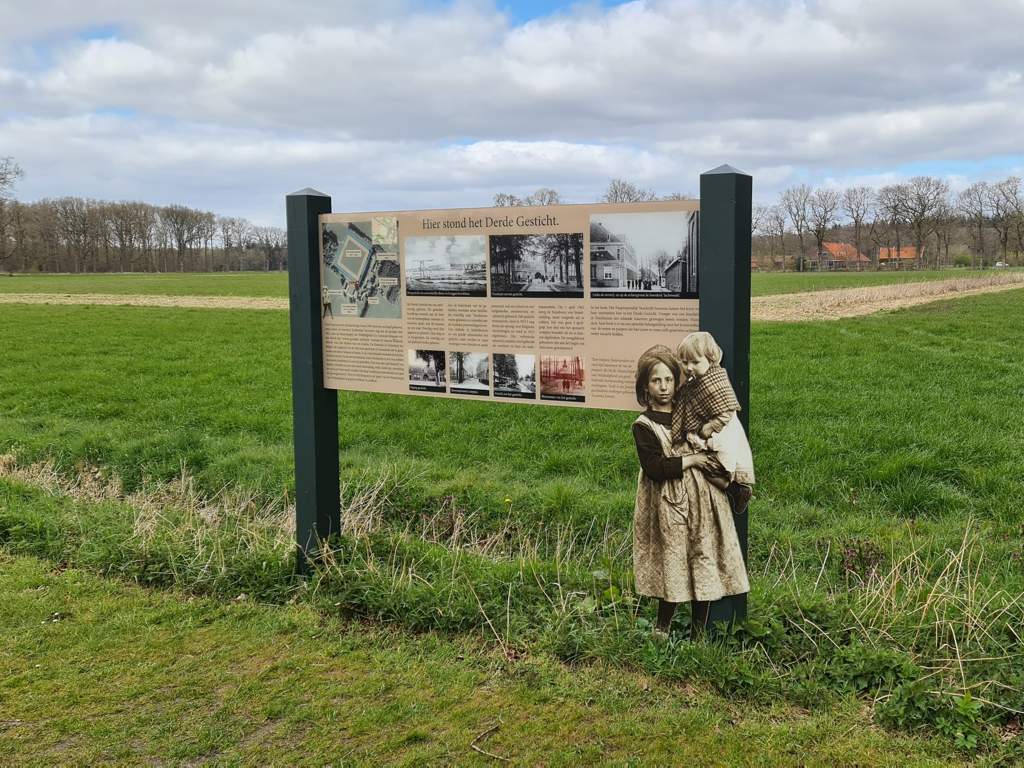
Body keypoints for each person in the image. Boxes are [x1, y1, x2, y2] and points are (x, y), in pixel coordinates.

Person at [632, 345, 749, 638]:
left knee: (702, 555)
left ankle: (698, 633)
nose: (663, 387)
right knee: (672, 559)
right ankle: (663, 628)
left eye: (669, 380)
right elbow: (655, 467)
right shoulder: (644, 426)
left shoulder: (689, 409)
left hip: (703, 498)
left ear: (676, 381)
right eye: (656, 381)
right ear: (645, 386)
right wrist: (693, 459)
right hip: (667, 501)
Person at [671, 331, 755, 515]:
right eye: (684, 362)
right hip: (706, 434)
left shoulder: (714, 381)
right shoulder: (697, 380)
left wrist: (707, 428)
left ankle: (736, 489)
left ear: (711, 359)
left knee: (710, 466)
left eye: (695, 362)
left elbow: (726, 411)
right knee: (697, 462)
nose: (689, 367)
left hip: (721, 434)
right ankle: (733, 489)